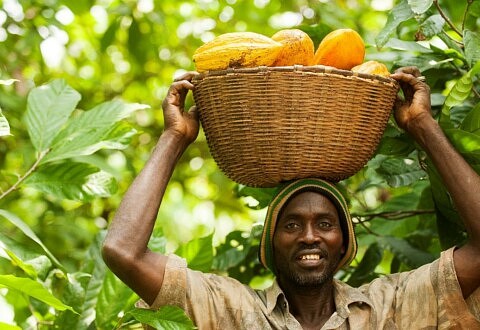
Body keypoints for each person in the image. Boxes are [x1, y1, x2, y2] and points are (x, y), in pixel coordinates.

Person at [102, 66, 480, 329]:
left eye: (326, 224)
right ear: (270, 241)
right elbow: (123, 251)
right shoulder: (228, 309)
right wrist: (175, 137)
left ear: (344, 241)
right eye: (293, 224)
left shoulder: (390, 307)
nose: (310, 236)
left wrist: (422, 125)